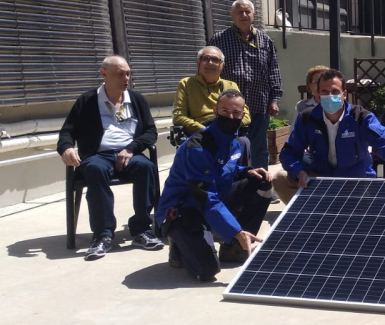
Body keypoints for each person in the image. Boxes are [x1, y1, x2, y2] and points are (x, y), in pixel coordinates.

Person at [57, 55, 164, 260]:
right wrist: (67, 148)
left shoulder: (137, 99)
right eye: (119, 74)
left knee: (146, 167)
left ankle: (141, 229)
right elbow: (67, 131)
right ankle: (103, 235)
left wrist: (132, 148)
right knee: (95, 170)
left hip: (129, 153)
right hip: (97, 154)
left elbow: (150, 132)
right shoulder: (88, 100)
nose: (125, 79)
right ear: (103, 74)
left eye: (128, 74)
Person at [156, 90, 272, 281]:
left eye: (236, 112)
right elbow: (205, 196)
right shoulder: (198, 147)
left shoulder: (235, 142)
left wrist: (245, 171)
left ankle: (233, 248)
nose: (230, 116)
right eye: (225, 111)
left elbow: (224, 169)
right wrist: (235, 230)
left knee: (261, 183)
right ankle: (178, 242)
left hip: (212, 199)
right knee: (207, 270)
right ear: (215, 111)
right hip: (184, 209)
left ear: (243, 115)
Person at [274, 69, 385, 202]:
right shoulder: (307, 118)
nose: (330, 96)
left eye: (335, 91)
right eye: (324, 92)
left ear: (344, 94)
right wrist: (298, 172)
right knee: (280, 178)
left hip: (356, 179)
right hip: (321, 176)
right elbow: (289, 152)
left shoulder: (361, 117)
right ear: (318, 94)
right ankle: (308, 214)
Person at [208, 0, 282, 169]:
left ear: (253, 15)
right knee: (230, 146)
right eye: (239, 11)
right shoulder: (219, 40)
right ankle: (232, 186)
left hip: (258, 102)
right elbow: (209, 71)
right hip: (230, 108)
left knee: (259, 148)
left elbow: (274, 71)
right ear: (232, 15)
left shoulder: (265, 40)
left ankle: (260, 189)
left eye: (247, 11)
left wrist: (275, 99)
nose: (244, 15)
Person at [172, 46, 251, 135]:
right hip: (200, 134)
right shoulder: (186, 84)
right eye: (206, 59)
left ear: (222, 65)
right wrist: (206, 130)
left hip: (228, 131)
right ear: (198, 62)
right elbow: (179, 117)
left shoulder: (231, 85)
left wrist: (230, 127)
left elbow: (246, 115)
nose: (210, 63)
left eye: (215, 60)